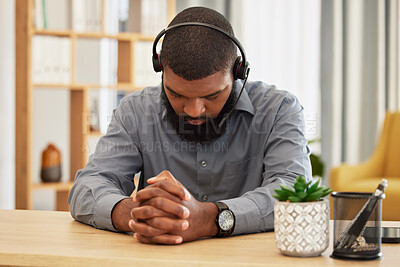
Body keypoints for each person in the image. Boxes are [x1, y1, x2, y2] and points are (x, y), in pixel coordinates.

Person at [68, 6, 312, 245]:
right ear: (160, 67)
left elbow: (292, 191)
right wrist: (137, 215)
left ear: (237, 71)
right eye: (177, 94)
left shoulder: (280, 110)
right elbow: (88, 186)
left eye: (211, 96)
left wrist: (209, 219)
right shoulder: (136, 111)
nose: (194, 111)